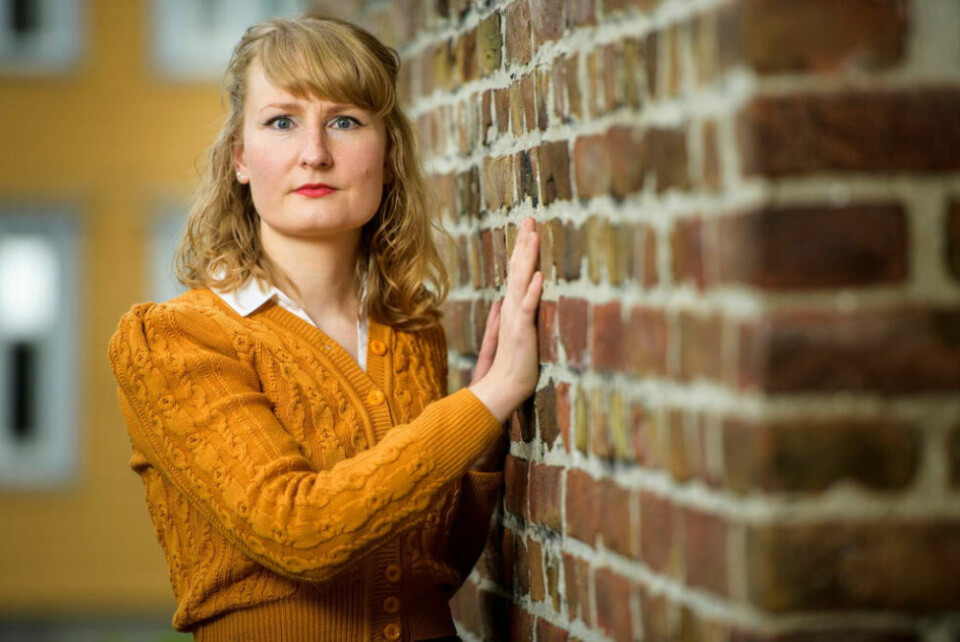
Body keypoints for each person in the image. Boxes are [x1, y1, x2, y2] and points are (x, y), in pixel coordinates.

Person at [107, 13, 542, 642]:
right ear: (240, 159)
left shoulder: (410, 331)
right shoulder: (175, 341)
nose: (314, 152)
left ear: (389, 155)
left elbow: (433, 566)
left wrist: (481, 437)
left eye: (344, 121)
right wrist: (487, 398)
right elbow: (299, 532)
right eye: (282, 122)